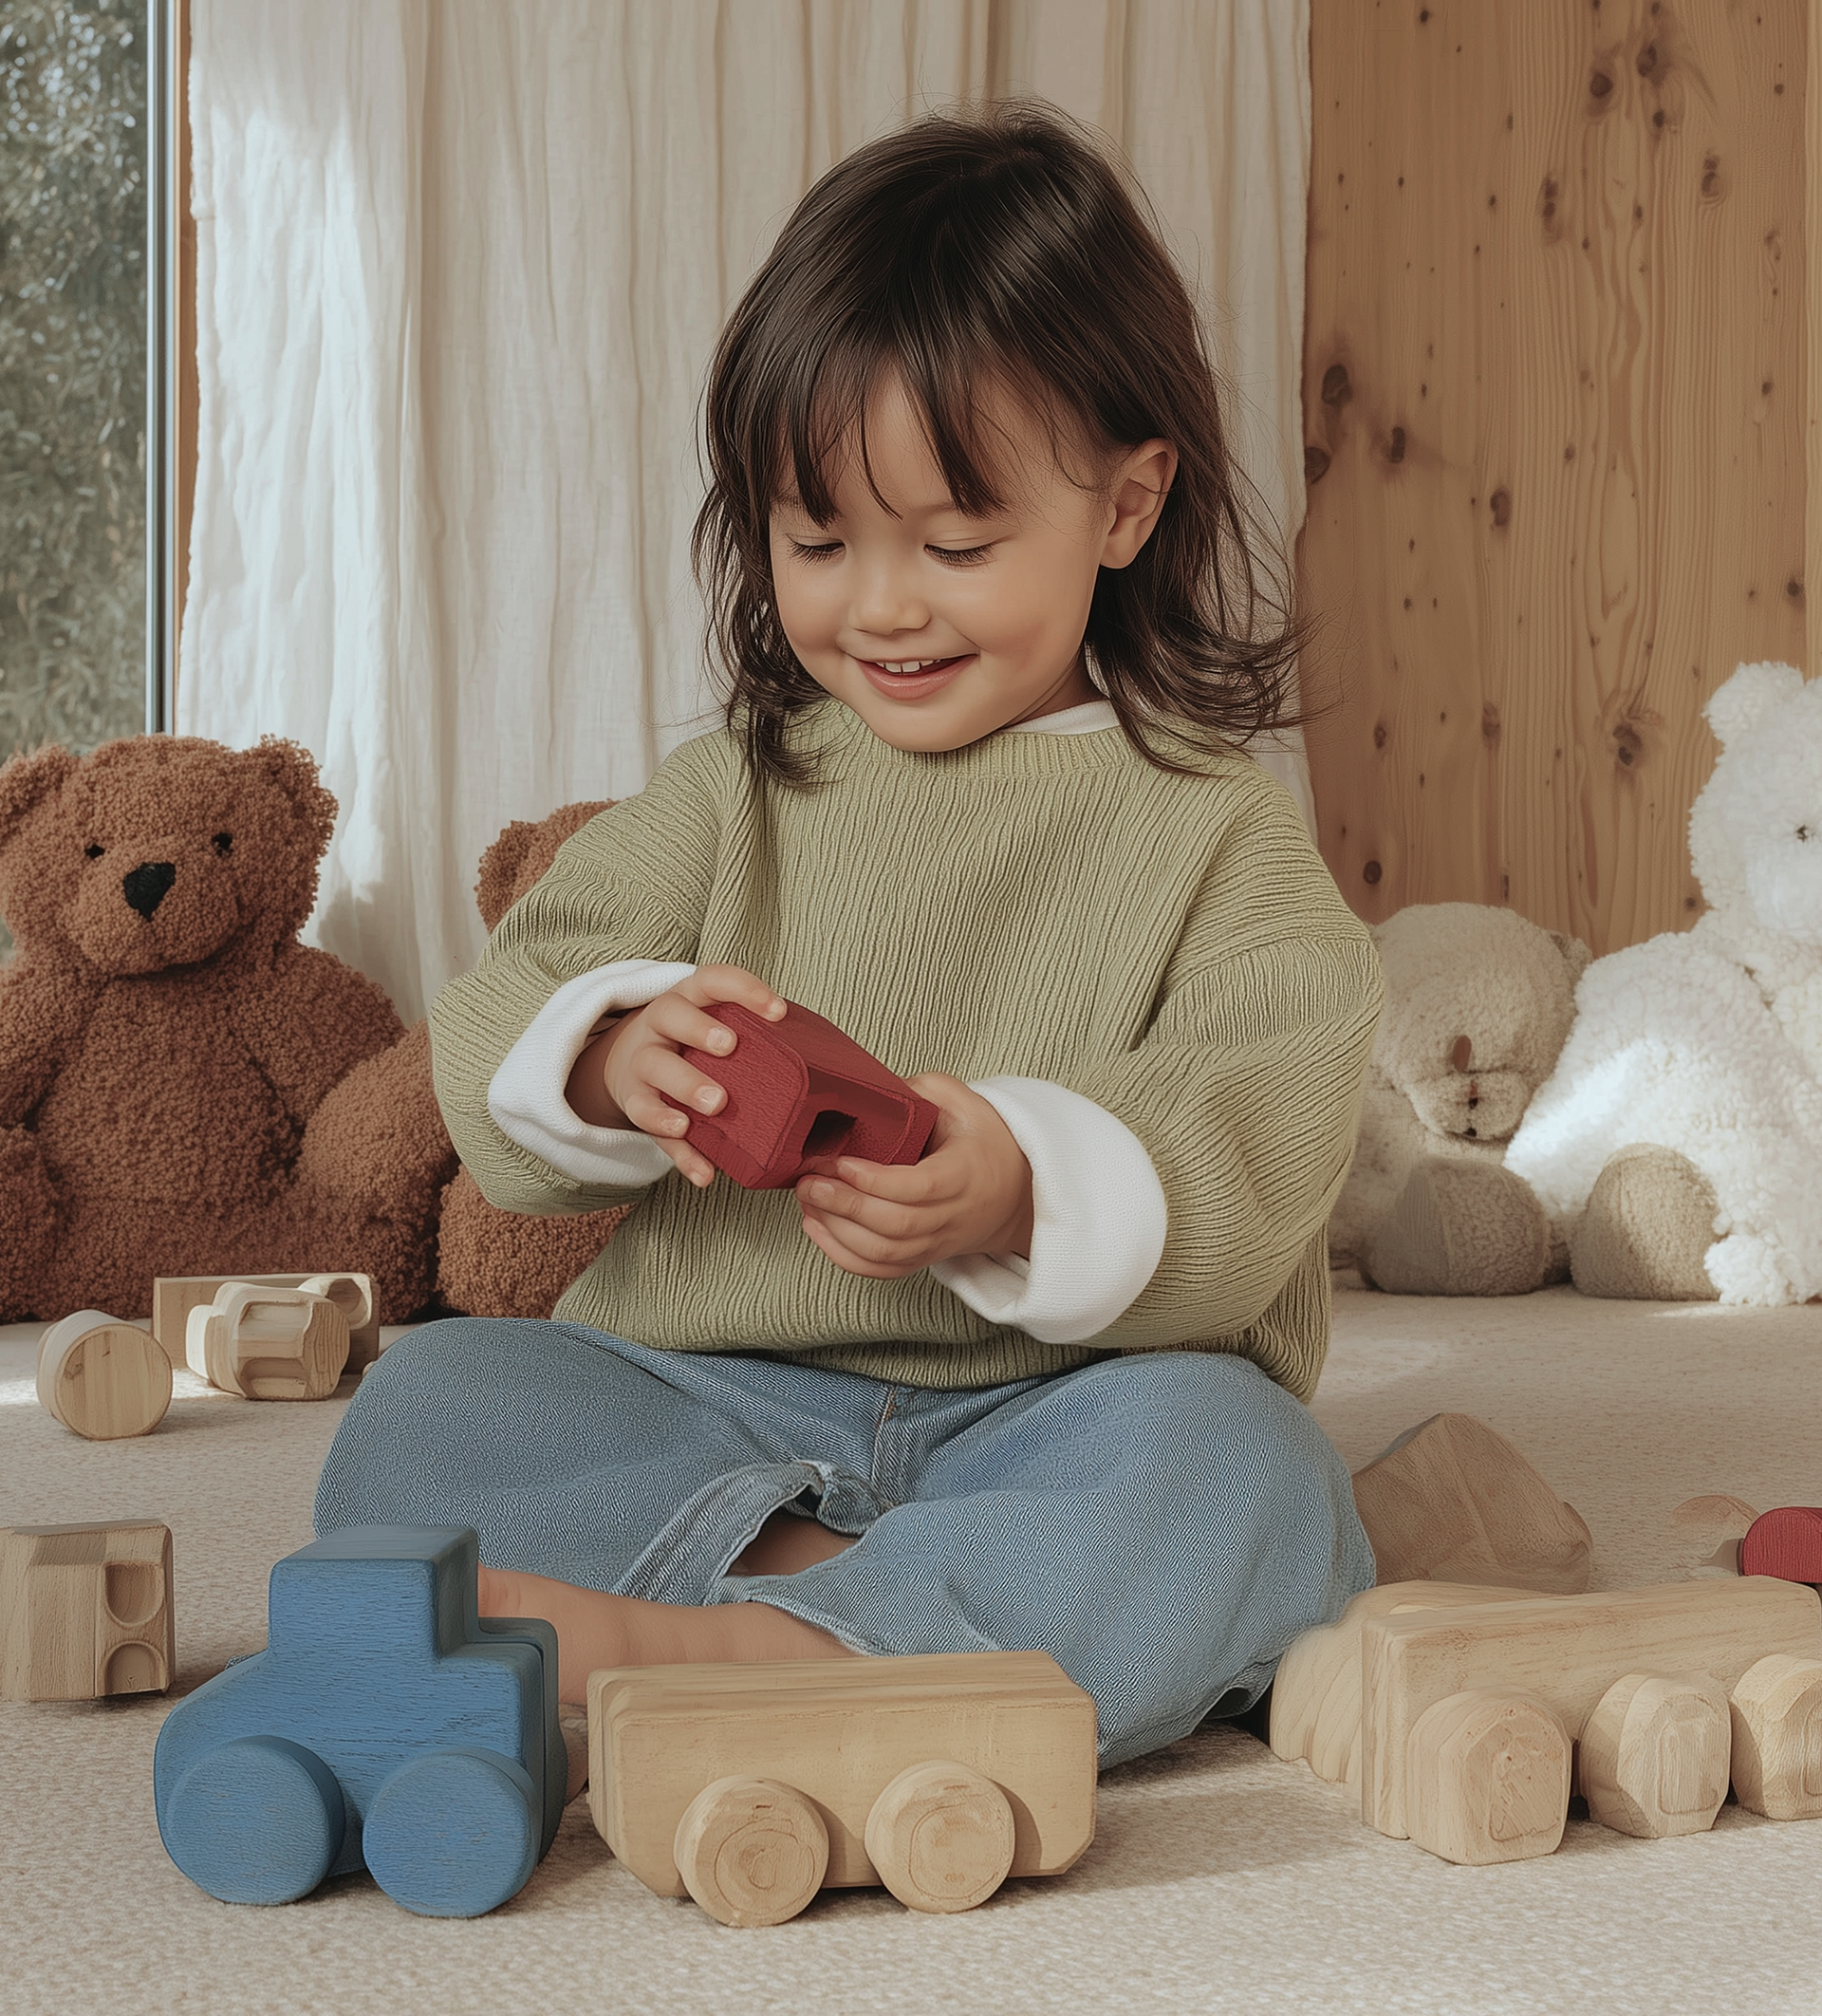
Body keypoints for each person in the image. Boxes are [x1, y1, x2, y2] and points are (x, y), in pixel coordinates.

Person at [316, 100, 1382, 1769]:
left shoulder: (1214, 829)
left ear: (1125, 506)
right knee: (427, 1411)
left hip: (1057, 1409)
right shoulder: (729, 791)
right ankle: (857, 1613)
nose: (881, 604)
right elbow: (513, 992)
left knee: (1247, 1477)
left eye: (956, 544)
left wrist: (1018, 1184)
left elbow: (1263, 1119)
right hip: (706, 1393)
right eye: (818, 542)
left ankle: (744, 1633)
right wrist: (610, 1057)